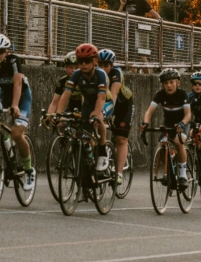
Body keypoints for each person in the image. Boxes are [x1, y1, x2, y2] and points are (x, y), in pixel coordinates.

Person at [0, 34, 35, 191]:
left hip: (22, 97)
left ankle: (28, 170)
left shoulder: (13, 60)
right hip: (4, 94)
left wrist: (15, 105)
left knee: (17, 134)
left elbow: (18, 84)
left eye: (1, 51)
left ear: (7, 52)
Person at [55, 43, 109, 173]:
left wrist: (96, 115)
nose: (83, 64)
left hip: (106, 102)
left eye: (87, 61)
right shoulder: (77, 74)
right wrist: (58, 114)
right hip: (88, 104)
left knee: (99, 118)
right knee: (84, 137)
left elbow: (101, 98)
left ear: (95, 61)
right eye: (80, 61)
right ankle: (88, 163)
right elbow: (65, 95)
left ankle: (102, 152)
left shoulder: (100, 74)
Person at [140, 69, 191, 190]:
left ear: (178, 83)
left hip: (182, 124)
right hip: (167, 125)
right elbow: (149, 111)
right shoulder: (160, 95)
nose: (168, 85)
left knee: (179, 143)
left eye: (171, 82)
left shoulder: (183, 95)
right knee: (161, 146)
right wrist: (145, 123)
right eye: (166, 83)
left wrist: (182, 124)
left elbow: (188, 115)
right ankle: (170, 165)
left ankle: (183, 176)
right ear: (162, 84)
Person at [98, 49, 134, 187]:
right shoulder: (94, 74)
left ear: (112, 66)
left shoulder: (116, 73)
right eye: (99, 65)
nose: (102, 68)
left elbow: (113, 97)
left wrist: (105, 113)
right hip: (103, 104)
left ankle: (118, 174)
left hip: (123, 105)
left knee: (121, 138)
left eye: (105, 65)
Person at [45, 51, 83, 117]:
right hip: (71, 107)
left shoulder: (84, 80)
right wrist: (49, 116)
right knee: (60, 124)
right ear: (65, 68)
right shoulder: (62, 81)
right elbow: (54, 103)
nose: (73, 70)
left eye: (76, 67)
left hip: (85, 106)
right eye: (70, 67)